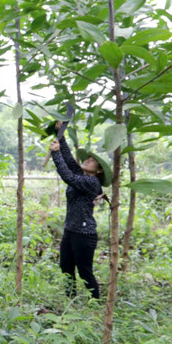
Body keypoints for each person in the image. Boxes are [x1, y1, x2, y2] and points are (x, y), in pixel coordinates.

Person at [48, 125, 111, 300]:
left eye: (93, 161)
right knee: (66, 268)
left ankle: (97, 304)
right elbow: (68, 161)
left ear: (98, 171)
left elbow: (68, 176)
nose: (88, 160)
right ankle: (70, 301)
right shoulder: (83, 176)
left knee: (85, 272)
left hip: (84, 234)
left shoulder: (91, 183)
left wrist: (55, 153)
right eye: (88, 158)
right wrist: (60, 136)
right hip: (70, 230)